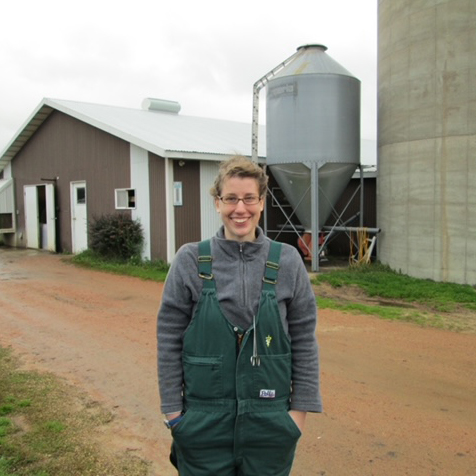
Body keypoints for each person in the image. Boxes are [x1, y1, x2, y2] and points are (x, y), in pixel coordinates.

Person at [157, 156, 322, 476]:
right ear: (217, 202)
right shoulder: (189, 260)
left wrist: (296, 417)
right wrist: (175, 414)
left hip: (270, 424)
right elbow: (168, 338)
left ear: (261, 202)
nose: (240, 208)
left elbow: (304, 339)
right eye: (230, 198)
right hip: (203, 424)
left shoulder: (288, 261)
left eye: (249, 198)